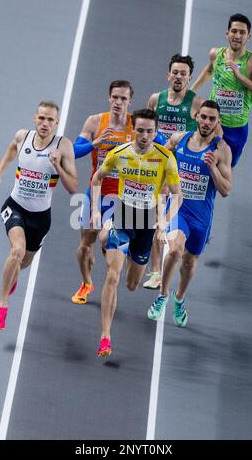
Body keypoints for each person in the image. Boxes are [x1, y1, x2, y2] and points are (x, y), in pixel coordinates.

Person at [91, 109, 183, 356]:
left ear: (155, 132)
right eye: (140, 130)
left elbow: (177, 195)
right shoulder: (118, 154)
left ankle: (110, 246)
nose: (144, 136)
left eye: (149, 131)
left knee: (132, 285)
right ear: (133, 129)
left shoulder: (165, 158)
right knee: (113, 276)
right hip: (122, 217)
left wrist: (164, 222)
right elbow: (97, 179)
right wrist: (96, 212)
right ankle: (105, 337)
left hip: (146, 224)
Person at [0, 101, 78, 330]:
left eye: (50, 120)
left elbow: (73, 187)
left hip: (40, 218)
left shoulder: (63, 146)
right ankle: (2, 306)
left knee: (24, 262)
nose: (45, 123)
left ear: (56, 122)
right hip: (15, 206)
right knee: (16, 251)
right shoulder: (23, 137)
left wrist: (57, 165)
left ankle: (13, 276)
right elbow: (11, 149)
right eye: (42, 118)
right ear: (34, 118)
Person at [147, 100, 232, 326]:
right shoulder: (178, 139)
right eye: (203, 117)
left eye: (212, 119)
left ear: (217, 121)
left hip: (202, 217)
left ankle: (179, 299)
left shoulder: (221, 150)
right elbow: (160, 161)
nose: (206, 122)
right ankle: (162, 296)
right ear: (197, 117)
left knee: (189, 262)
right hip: (178, 208)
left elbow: (226, 190)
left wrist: (213, 168)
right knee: (174, 250)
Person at [71, 80, 134, 305]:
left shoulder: (135, 126)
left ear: (129, 101)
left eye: (123, 98)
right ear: (109, 98)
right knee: (84, 247)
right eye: (115, 97)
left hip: (123, 198)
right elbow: (74, 152)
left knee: (107, 242)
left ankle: (111, 255)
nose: (118, 102)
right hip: (95, 192)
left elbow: (161, 145)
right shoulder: (95, 121)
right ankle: (87, 283)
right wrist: (95, 143)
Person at [144, 54, 203, 289]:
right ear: (169, 75)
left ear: (189, 78)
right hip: (157, 167)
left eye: (183, 73)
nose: (178, 77)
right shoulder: (155, 99)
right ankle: (156, 271)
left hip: (180, 171)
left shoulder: (196, 103)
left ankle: (180, 250)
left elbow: (208, 131)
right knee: (154, 217)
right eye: (175, 72)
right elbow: (145, 127)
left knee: (169, 218)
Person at [192, 13, 252, 167]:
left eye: (242, 32)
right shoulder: (216, 54)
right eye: (234, 31)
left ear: (249, 36)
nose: (237, 36)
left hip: (237, 129)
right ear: (227, 33)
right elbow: (209, 70)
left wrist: (240, 76)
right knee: (201, 164)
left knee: (225, 170)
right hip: (212, 122)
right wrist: (192, 90)